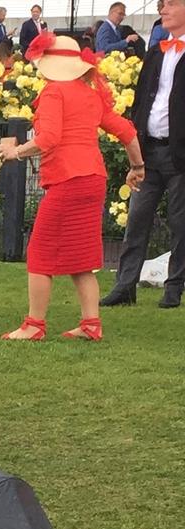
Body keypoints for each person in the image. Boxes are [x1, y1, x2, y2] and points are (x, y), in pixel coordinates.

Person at [0, 33, 143, 340]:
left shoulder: (53, 93)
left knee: (39, 253)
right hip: (93, 180)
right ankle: (91, 324)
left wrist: (16, 152)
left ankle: (34, 325)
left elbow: (49, 138)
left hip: (68, 180)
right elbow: (127, 132)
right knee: (82, 258)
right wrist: (137, 168)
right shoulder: (90, 94)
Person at [101, 0, 185, 309]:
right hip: (149, 151)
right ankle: (125, 286)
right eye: (161, 5)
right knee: (136, 219)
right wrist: (135, 143)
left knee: (180, 224)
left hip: (180, 156)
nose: (163, 9)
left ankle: (174, 288)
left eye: (171, 4)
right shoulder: (156, 49)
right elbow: (141, 99)